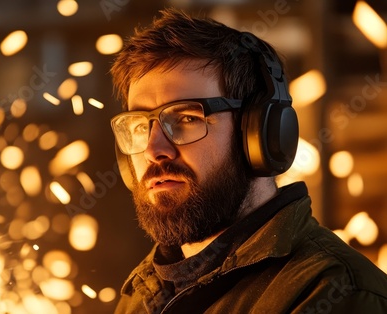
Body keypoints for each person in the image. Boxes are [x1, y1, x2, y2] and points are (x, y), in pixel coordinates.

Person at [108, 7, 387, 314]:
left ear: (259, 135)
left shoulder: (333, 292)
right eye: (137, 126)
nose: (153, 149)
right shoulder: (141, 295)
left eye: (186, 118)